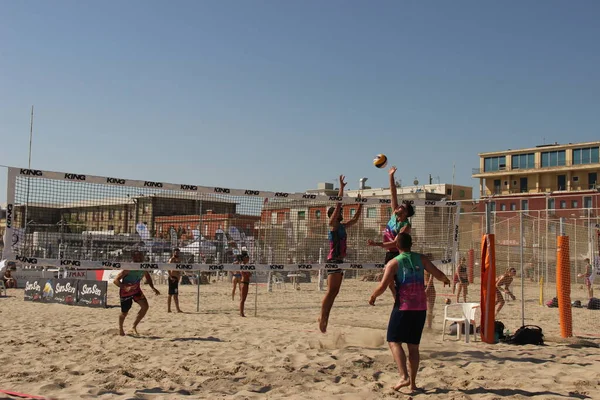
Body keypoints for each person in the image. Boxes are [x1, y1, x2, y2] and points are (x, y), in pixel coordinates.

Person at [369, 233, 450, 393]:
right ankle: (412, 384)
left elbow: (383, 286)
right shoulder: (422, 258)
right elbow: (438, 273)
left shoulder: (393, 263)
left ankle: (403, 376)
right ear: (411, 244)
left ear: (396, 246)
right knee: (413, 347)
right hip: (420, 308)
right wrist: (446, 280)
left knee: (393, 341)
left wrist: (373, 296)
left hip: (404, 307)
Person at [318, 175, 364, 333]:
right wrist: (342, 188)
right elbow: (338, 205)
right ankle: (322, 317)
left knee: (335, 292)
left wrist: (360, 205)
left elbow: (356, 219)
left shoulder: (342, 226)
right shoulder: (332, 225)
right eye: (337, 212)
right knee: (331, 291)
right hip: (333, 261)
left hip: (340, 261)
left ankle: (325, 318)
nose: (340, 212)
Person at [113, 251, 160, 336]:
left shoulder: (143, 267)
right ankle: (121, 329)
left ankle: (133, 326)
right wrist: (125, 287)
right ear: (133, 258)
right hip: (125, 292)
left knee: (145, 307)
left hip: (136, 291)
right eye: (137, 256)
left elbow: (148, 277)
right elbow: (115, 281)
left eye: (140, 256)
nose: (139, 258)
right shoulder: (128, 268)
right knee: (124, 312)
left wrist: (153, 288)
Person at [167, 248, 183, 313]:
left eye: (178, 253)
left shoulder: (179, 260)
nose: (177, 254)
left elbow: (179, 270)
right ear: (173, 253)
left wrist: (179, 277)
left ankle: (177, 309)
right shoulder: (171, 260)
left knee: (175, 294)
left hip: (176, 279)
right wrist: (171, 277)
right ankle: (169, 309)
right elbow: (168, 268)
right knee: (170, 294)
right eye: (176, 253)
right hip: (172, 278)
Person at [238, 252, 251, 317]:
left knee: (243, 299)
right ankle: (241, 313)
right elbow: (245, 274)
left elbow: (249, 274)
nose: (248, 258)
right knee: (242, 299)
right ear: (244, 258)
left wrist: (248, 274)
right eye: (247, 257)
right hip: (243, 283)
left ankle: (241, 312)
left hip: (246, 283)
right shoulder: (242, 265)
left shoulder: (247, 265)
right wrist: (248, 274)